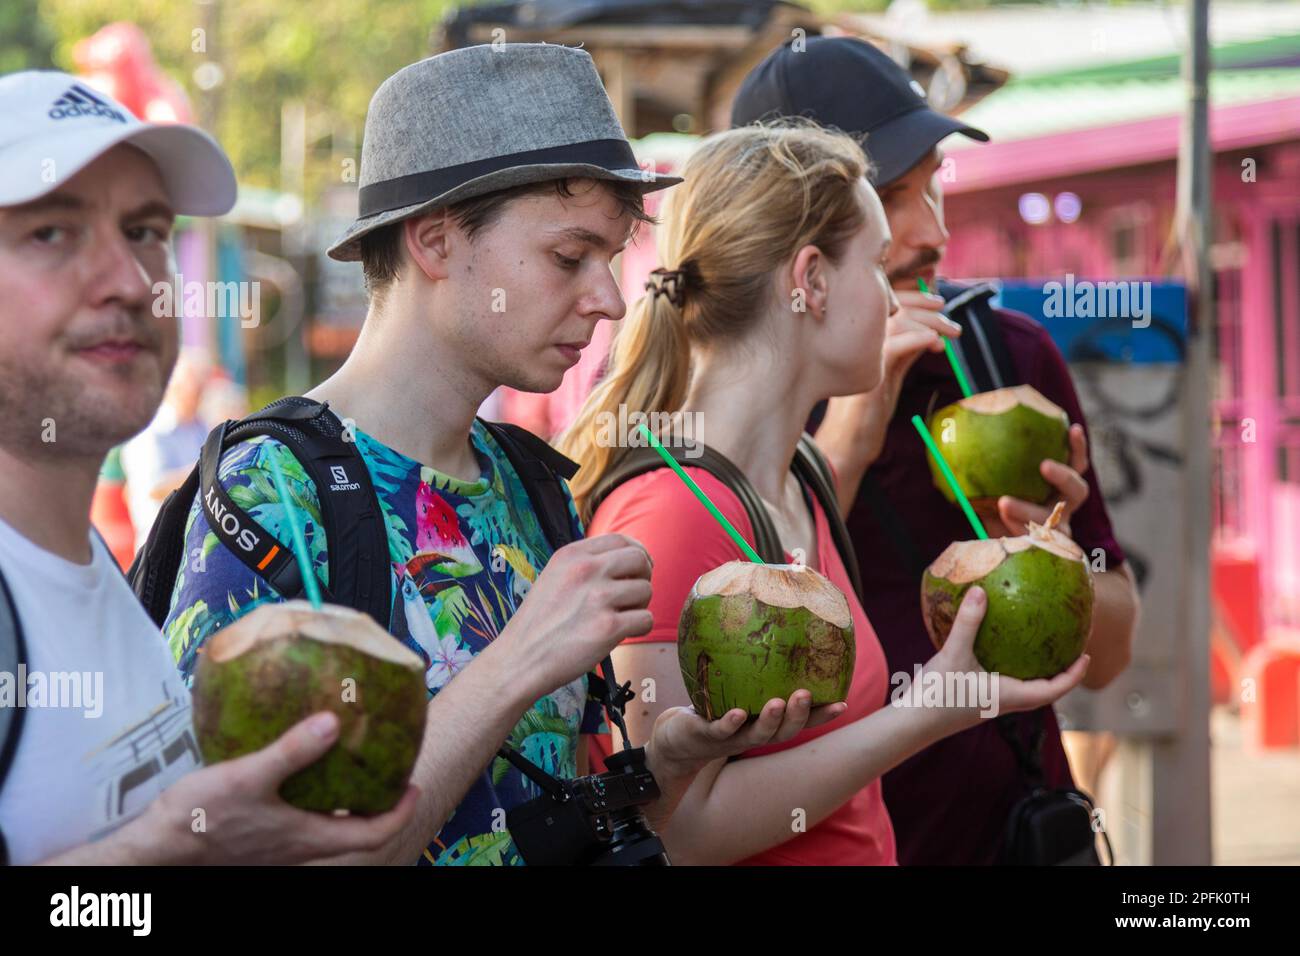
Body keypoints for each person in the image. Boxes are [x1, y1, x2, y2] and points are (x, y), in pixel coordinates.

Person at [159, 44, 822, 866]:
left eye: (612, 259)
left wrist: (667, 771)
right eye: (568, 256)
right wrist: (521, 659)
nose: (610, 299)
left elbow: (533, 813)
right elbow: (245, 852)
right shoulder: (271, 495)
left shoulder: (531, 484)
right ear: (435, 241)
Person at [556, 120, 1089, 865]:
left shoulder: (799, 473)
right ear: (808, 280)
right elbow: (676, 833)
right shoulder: (672, 513)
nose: (893, 296)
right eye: (876, 265)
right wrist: (934, 708)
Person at [730, 36, 1141, 864]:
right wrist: (845, 445)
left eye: (934, 185)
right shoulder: (735, 401)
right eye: (889, 196)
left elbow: (1111, 660)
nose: (930, 232)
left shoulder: (1008, 358)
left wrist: (1064, 565)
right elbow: (746, 659)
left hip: (1013, 836)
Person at [0, 70, 416, 865]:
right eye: (52, 231)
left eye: (146, 231)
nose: (129, 281)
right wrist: (164, 850)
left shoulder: (91, 569)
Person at [121, 347, 211, 552]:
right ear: (173, 388)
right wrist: (207, 467)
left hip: (194, 543)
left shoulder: (200, 426)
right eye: (193, 388)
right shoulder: (150, 431)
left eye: (200, 388)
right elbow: (153, 488)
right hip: (159, 547)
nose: (198, 395)